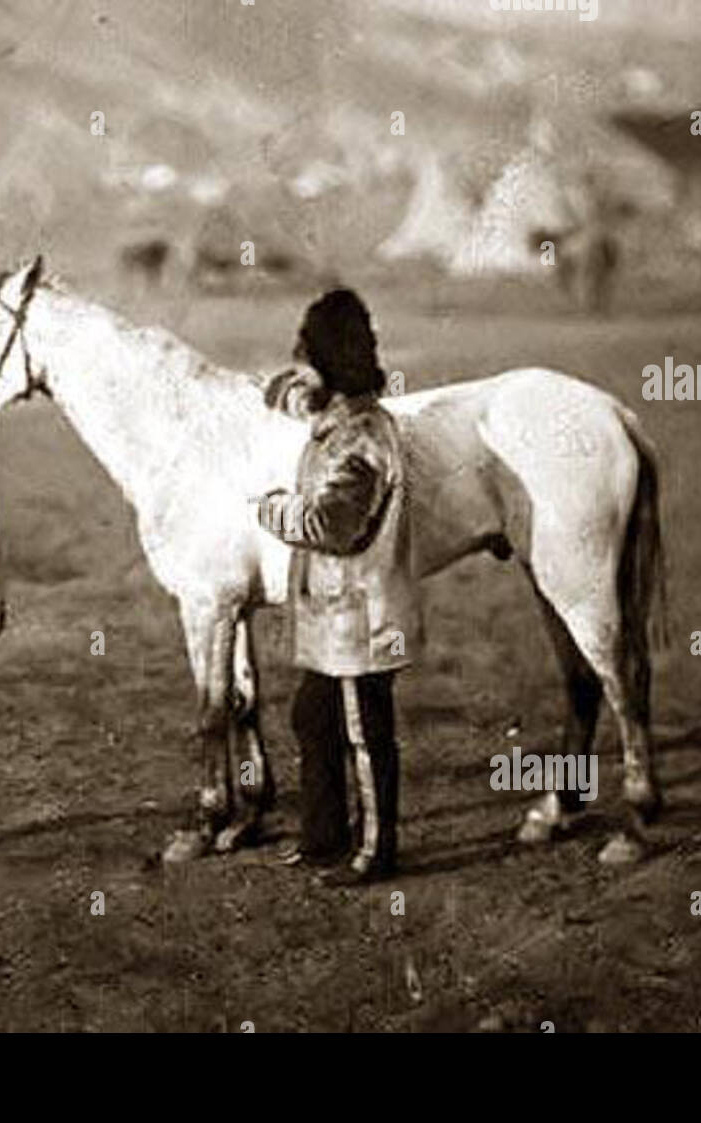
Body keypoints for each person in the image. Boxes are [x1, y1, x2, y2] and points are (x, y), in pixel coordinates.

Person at [257, 289, 422, 884]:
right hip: (336, 619)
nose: (298, 367)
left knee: (363, 732)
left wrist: (272, 509)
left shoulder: (361, 439)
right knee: (311, 716)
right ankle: (324, 837)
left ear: (327, 360)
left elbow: (333, 525)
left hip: (360, 619)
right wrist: (292, 384)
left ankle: (377, 851)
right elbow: (282, 392)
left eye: (305, 354)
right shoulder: (344, 422)